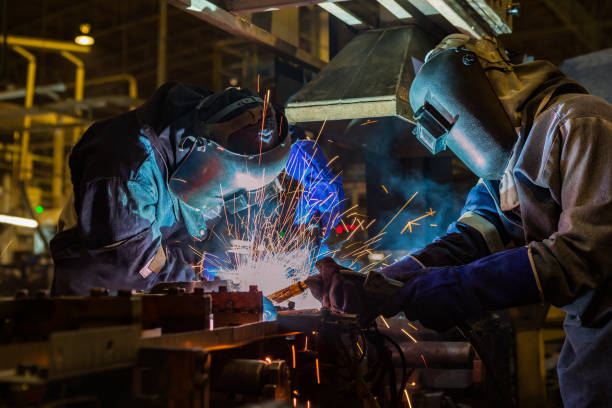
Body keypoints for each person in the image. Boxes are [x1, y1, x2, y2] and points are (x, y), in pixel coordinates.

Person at [306, 34, 612, 407]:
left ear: (471, 90)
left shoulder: (582, 122)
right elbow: (475, 236)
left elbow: (581, 257)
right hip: (591, 344)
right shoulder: (514, 156)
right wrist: (385, 281)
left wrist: (446, 288)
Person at [51, 83, 343, 296]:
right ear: (201, 153)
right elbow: (130, 269)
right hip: (102, 308)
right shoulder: (127, 168)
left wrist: (293, 158)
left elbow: (253, 130)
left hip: (165, 301)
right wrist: (211, 279)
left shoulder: (207, 118)